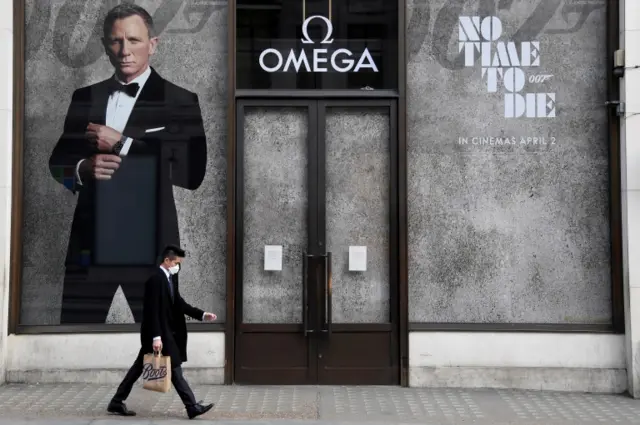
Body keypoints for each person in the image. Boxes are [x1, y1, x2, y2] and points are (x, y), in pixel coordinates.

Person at [48, 3, 207, 324]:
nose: (125, 51)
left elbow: (192, 174)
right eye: (116, 41)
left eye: (134, 40)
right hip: (91, 245)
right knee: (75, 338)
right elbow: (57, 165)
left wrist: (121, 143)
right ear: (106, 46)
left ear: (153, 44)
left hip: (150, 246)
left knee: (160, 345)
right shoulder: (85, 97)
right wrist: (81, 170)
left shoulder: (180, 100)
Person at [108, 245, 216, 419]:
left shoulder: (170, 279)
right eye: (176, 263)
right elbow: (152, 311)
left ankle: (116, 401)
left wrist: (202, 315)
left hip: (166, 332)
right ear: (167, 261)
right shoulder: (155, 280)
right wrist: (156, 337)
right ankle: (192, 406)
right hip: (158, 334)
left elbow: (179, 303)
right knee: (175, 369)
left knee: (138, 368)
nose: (177, 266)